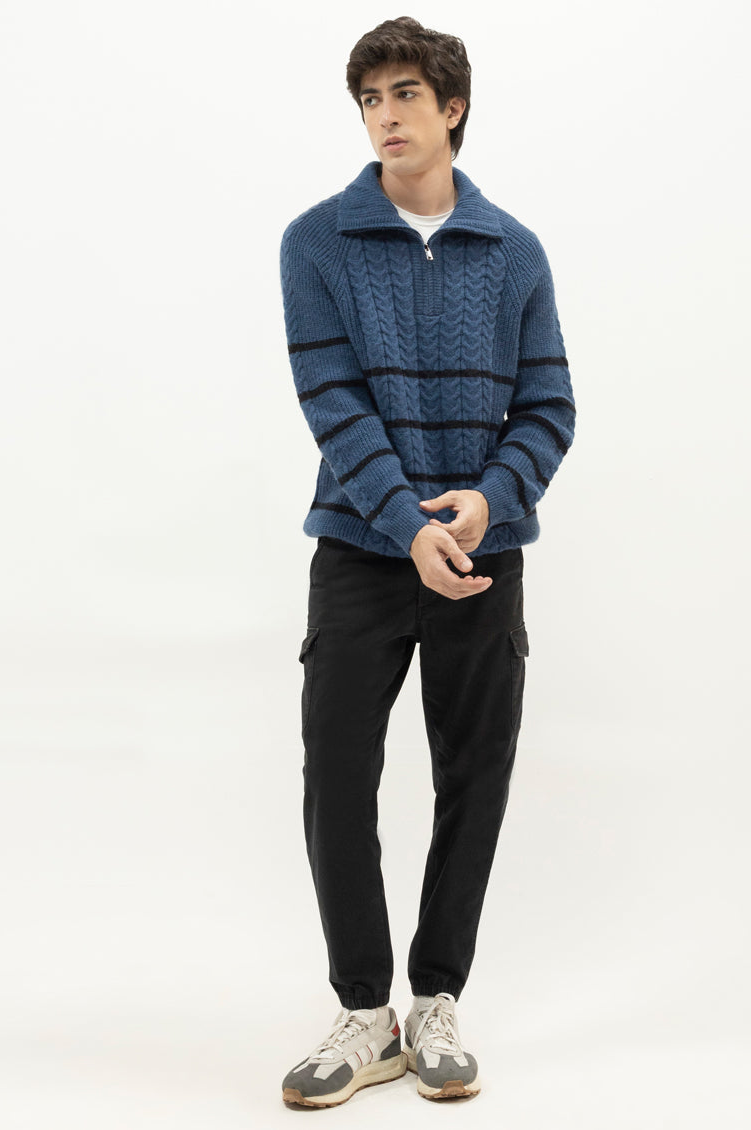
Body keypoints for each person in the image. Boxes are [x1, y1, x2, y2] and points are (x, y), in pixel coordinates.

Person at [278, 15, 576, 1108]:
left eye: (405, 94)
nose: (385, 117)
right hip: (361, 552)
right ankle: (366, 1013)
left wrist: (490, 499)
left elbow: (548, 407)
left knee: (474, 776)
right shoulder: (316, 241)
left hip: (485, 557)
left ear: (452, 108)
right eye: (370, 99)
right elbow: (331, 399)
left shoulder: (515, 251)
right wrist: (408, 522)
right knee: (336, 775)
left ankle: (437, 997)